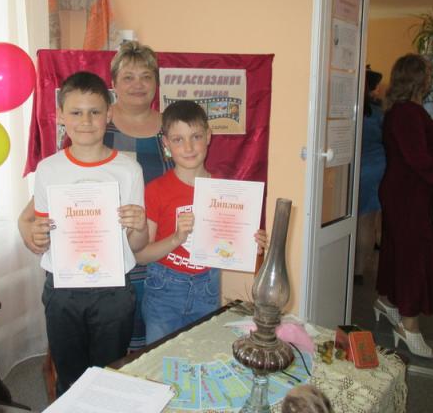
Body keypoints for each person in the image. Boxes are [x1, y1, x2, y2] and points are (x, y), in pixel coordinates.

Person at [19, 41, 172, 351]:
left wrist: (143, 225)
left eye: (146, 76)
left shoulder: (160, 140)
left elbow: (187, 186)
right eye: (128, 77)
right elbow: (41, 215)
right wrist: (30, 231)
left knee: (125, 355)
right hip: (74, 277)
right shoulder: (63, 158)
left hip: (146, 260)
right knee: (72, 364)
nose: (138, 84)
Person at [32, 71, 148, 394]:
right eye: (76, 112)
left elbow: (137, 245)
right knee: (70, 379)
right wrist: (38, 237)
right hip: (63, 289)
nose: (86, 121)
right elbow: (41, 239)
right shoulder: (48, 170)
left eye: (95, 112)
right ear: (60, 115)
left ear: (109, 114)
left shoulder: (128, 170)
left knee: (108, 377)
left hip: (113, 291)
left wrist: (139, 225)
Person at [135, 100, 267, 344]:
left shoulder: (225, 191)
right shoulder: (156, 190)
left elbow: (231, 246)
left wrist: (251, 245)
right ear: (166, 144)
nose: (188, 147)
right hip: (164, 291)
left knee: (201, 356)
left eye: (195, 136)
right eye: (178, 139)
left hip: (207, 288)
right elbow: (141, 255)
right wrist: (176, 239)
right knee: (160, 358)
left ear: (208, 136)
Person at [374, 54, 433, 359]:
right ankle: (408, 325)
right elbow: (417, 158)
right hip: (407, 193)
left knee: (399, 248)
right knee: (414, 255)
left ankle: (387, 301)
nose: (431, 78)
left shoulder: (404, 110)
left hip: (405, 191)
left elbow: (415, 150)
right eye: (427, 73)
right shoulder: (407, 112)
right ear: (416, 78)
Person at [354, 67, 385, 285]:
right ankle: (358, 270)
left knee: (351, 220)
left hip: (352, 168)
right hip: (376, 168)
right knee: (367, 221)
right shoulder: (378, 114)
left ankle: (347, 266)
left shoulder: (348, 112)